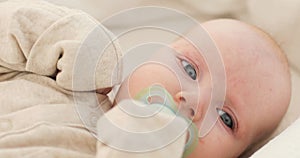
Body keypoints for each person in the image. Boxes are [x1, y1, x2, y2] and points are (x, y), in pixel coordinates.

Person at [0, 0, 291, 158]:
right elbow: (11, 27)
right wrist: (81, 41)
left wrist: (150, 135)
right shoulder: (67, 80)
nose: (193, 102)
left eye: (226, 118)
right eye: (190, 70)